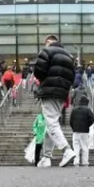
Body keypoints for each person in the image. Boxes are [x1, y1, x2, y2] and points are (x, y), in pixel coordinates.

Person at [32, 34, 77, 167]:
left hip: (49, 90)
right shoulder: (69, 57)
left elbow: (38, 71)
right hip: (62, 93)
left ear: (49, 43)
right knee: (51, 122)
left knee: (51, 121)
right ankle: (46, 157)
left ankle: (66, 149)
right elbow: (73, 77)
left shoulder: (47, 51)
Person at [69, 95, 94, 168]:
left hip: (75, 132)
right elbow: (92, 119)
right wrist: (87, 125)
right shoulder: (88, 110)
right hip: (84, 132)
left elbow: (71, 121)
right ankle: (85, 162)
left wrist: (74, 128)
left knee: (76, 147)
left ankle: (76, 161)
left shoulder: (74, 109)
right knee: (85, 147)